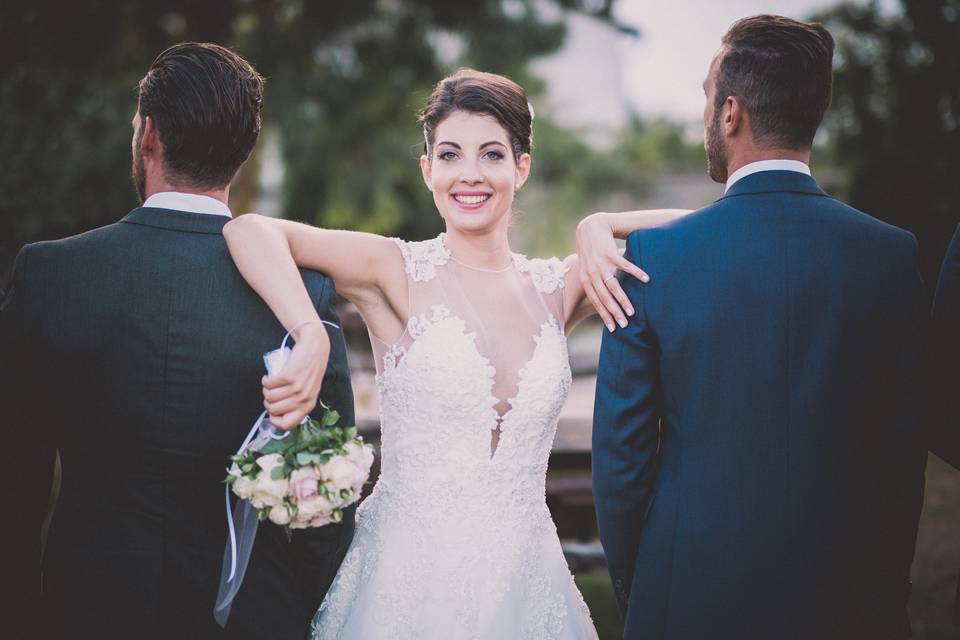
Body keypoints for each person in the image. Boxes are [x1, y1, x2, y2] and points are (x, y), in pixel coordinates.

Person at [223, 68, 686, 639]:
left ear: (522, 167)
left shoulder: (560, 288)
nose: (470, 175)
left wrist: (602, 224)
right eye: (450, 155)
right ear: (428, 170)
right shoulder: (392, 269)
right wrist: (309, 332)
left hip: (530, 591)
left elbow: (711, 225)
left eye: (492, 155)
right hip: (402, 588)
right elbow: (248, 230)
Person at [1, 42, 355, 639]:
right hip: (252, 615)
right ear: (243, 153)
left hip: (83, 610)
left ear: (149, 135)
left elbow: (13, 484)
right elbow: (322, 513)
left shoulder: (49, 277)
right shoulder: (301, 299)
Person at [591, 14, 927, 640]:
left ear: (730, 114)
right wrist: (883, 588)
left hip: (690, 589)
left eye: (706, 98)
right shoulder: (890, 254)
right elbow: (901, 456)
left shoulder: (652, 259)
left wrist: (647, 586)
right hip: (851, 596)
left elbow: (622, 457)